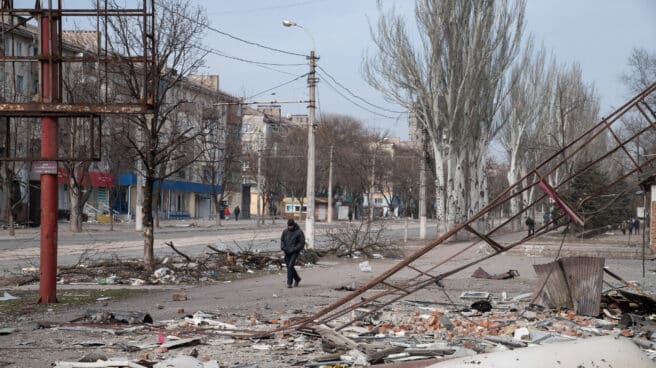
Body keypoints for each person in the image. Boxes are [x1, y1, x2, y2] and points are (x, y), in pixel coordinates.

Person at [281, 219, 304, 288]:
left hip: (295, 252)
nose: (290, 227)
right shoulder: (285, 231)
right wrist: (283, 247)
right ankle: (297, 279)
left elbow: (301, 243)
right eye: (289, 226)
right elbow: (282, 240)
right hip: (287, 251)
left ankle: (289, 283)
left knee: (290, 266)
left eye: (291, 226)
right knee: (289, 267)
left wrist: (295, 249)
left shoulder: (299, 232)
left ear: (293, 225)